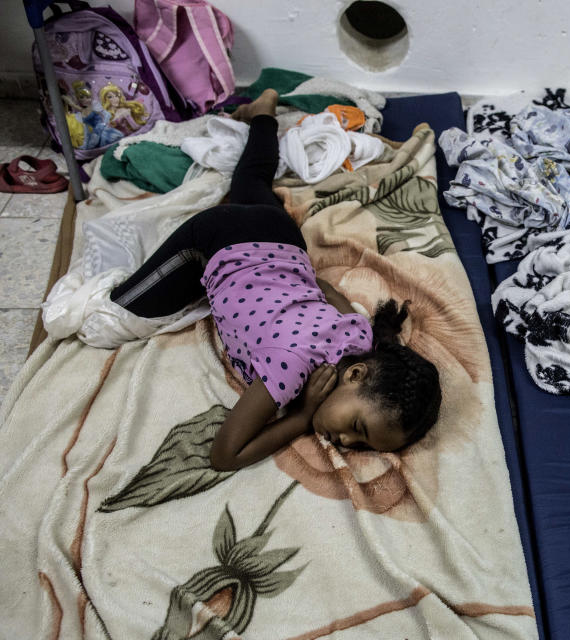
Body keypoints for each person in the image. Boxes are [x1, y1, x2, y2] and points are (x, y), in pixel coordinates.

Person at [107, 89, 442, 471]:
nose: (347, 442)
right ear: (355, 373)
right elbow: (224, 456)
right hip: (217, 238)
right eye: (356, 426)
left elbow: (325, 288)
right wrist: (299, 419)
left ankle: (263, 113)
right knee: (122, 308)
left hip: (283, 241)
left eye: (361, 445)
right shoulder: (290, 366)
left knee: (250, 180)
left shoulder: (361, 338)